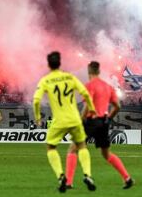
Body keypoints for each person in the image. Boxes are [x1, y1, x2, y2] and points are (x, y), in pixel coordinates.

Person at [33, 51, 97, 193]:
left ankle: (61, 176)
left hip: (59, 120)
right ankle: (87, 174)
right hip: (74, 118)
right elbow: (86, 94)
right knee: (82, 145)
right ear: (60, 63)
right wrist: (92, 110)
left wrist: (38, 117)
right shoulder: (70, 77)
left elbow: (36, 100)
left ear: (48, 64)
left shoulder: (45, 80)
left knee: (50, 147)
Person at [66, 61, 134, 189]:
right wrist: (109, 118)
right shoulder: (108, 87)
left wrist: (80, 121)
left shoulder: (90, 85)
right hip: (104, 122)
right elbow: (118, 106)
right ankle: (127, 178)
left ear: (89, 72)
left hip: (91, 121)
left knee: (73, 148)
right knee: (106, 154)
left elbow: (88, 104)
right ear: (99, 71)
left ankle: (68, 182)